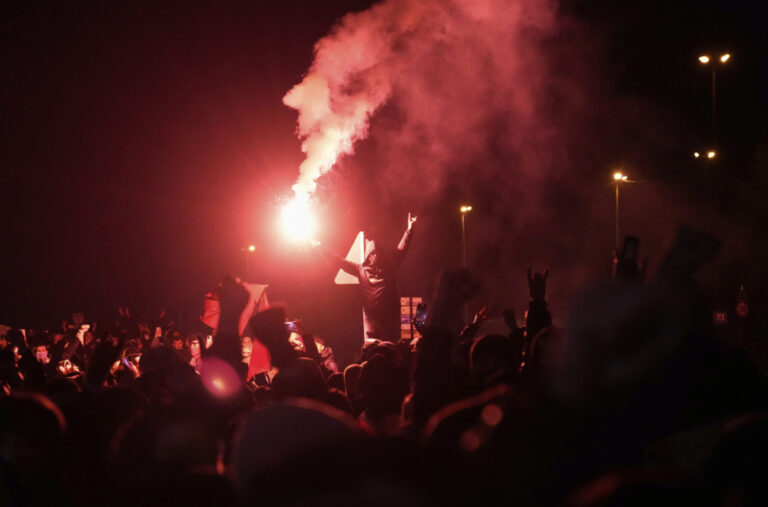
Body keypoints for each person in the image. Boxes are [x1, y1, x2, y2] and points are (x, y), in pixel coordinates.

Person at [315, 213, 417, 343]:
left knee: (388, 344)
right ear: (368, 256)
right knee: (373, 345)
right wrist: (320, 248)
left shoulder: (387, 267)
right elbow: (338, 261)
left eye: (377, 253)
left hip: (388, 314)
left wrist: (409, 230)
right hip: (372, 317)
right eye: (373, 254)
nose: (375, 257)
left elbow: (401, 249)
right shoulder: (361, 269)